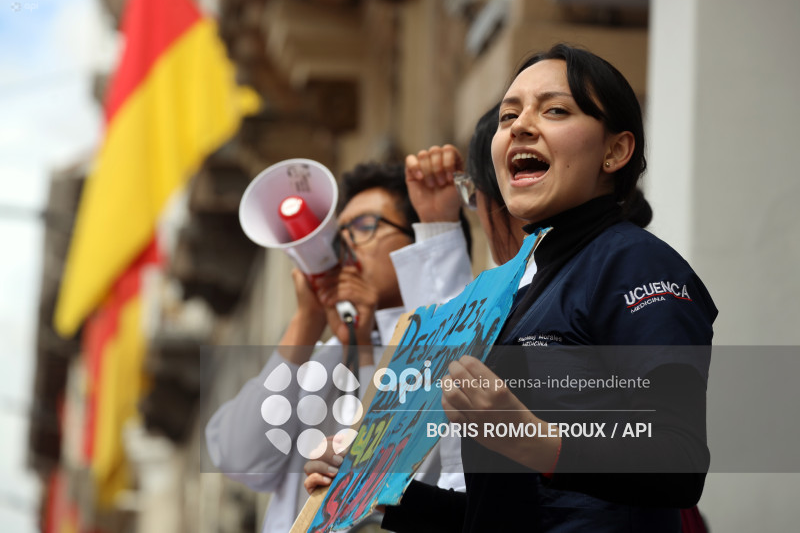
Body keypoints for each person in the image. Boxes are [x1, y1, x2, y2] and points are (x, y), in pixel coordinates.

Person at [435, 43, 717, 532]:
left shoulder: (634, 263)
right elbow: (520, 505)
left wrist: (533, 441)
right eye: (508, 116)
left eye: (555, 110)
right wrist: (380, 499)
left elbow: (679, 458)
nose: (520, 126)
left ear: (615, 151)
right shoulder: (527, 285)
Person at [205, 161, 474, 533]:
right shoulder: (326, 352)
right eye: (340, 230)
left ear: (417, 243)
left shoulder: (450, 336)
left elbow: (375, 462)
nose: (345, 243)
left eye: (366, 226)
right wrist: (305, 323)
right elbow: (239, 456)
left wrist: (363, 352)